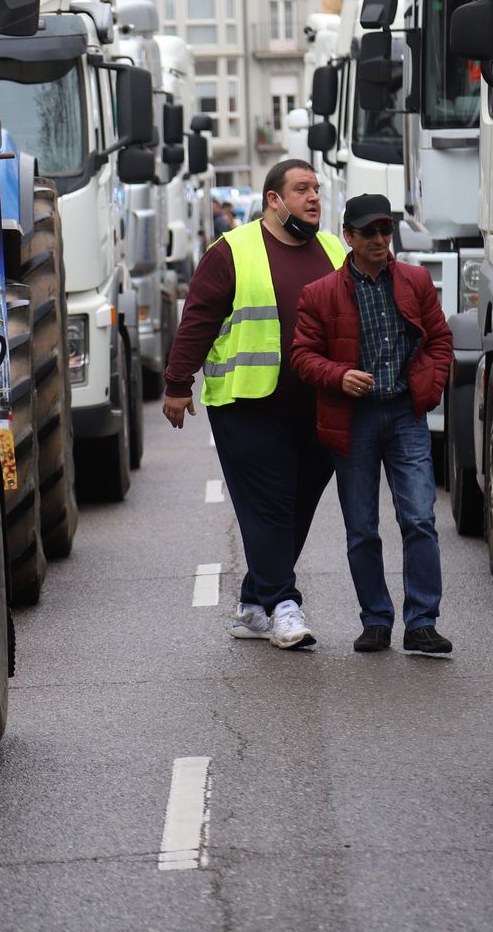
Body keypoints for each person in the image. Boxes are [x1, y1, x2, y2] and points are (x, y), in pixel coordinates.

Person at [162, 159, 346, 649]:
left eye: (316, 189)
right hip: (247, 404)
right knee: (269, 506)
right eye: (302, 189)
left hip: (318, 406)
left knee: (298, 505)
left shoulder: (332, 249)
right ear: (274, 200)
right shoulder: (232, 250)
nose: (313, 198)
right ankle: (285, 604)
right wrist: (178, 382)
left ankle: (252, 602)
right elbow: (198, 318)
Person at [290, 193, 455, 654]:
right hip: (353, 421)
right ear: (349, 238)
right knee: (362, 527)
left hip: (406, 414)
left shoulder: (416, 281)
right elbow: (301, 356)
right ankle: (376, 619)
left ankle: (422, 622)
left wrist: (430, 385)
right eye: (370, 233)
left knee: (420, 518)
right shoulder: (320, 293)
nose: (381, 240)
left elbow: (440, 339)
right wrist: (340, 376)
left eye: (386, 231)